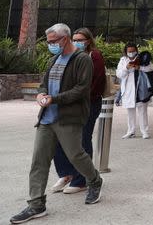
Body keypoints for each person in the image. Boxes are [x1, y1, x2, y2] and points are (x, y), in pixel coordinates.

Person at [10, 24, 103, 223]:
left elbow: (82, 89)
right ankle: (36, 204)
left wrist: (55, 98)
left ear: (65, 39)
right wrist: (41, 94)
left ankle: (94, 180)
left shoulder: (82, 59)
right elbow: (44, 83)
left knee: (76, 155)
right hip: (46, 118)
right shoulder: (54, 59)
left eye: (53, 41)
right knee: (39, 161)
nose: (50, 45)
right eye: (48, 42)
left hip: (68, 117)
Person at [50, 28, 106, 195]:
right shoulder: (68, 56)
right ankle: (66, 173)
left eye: (80, 39)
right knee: (59, 139)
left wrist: (77, 96)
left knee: (82, 140)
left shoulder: (94, 56)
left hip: (88, 104)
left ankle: (82, 179)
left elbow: (96, 83)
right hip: (67, 104)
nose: (76, 42)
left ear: (88, 40)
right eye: (74, 39)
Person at [116, 42, 153, 139]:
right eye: (129, 51)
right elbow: (119, 74)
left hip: (141, 88)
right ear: (126, 51)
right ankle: (131, 131)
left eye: (133, 51)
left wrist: (140, 67)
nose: (131, 53)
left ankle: (144, 132)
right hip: (128, 90)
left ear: (136, 51)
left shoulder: (142, 58)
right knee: (130, 112)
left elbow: (151, 68)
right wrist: (126, 68)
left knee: (142, 111)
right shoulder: (123, 60)